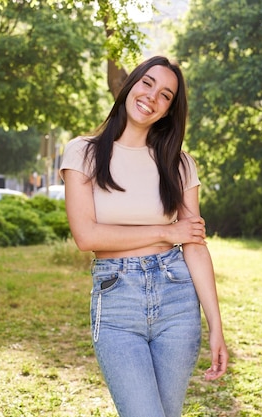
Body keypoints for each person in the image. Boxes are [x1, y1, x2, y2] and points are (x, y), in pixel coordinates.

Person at [59, 55, 228, 417]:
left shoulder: (179, 164)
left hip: (177, 299)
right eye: (147, 83)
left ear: (169, 110)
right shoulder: (83, 152)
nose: (152, 96)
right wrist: (167, 232)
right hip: (117, 300)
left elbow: (194, 246)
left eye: (165, 95)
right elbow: (87, 237)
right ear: (130, 85)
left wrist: (216, 326)